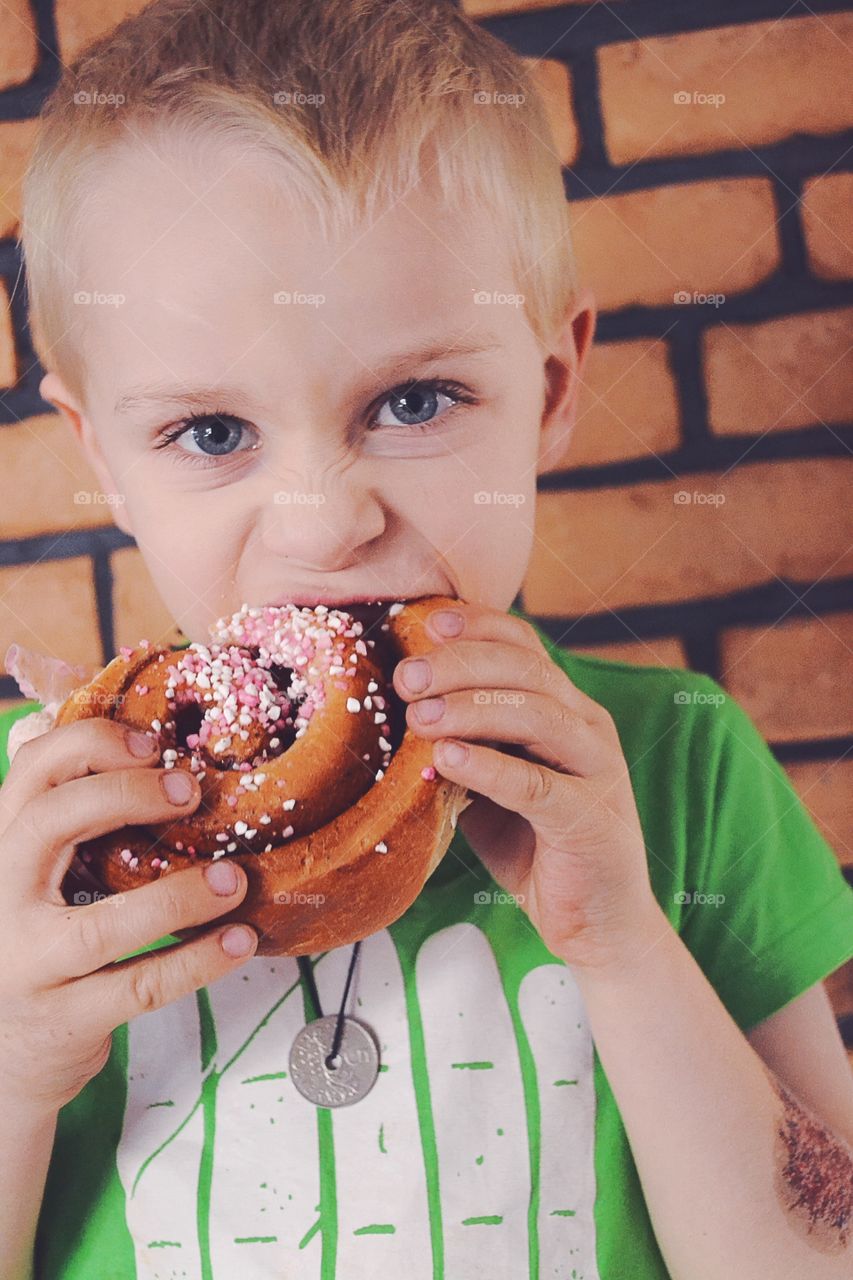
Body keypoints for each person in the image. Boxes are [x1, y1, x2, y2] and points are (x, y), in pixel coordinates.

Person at [2, 2, 851, 1277]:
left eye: (411, 401)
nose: (327, 522)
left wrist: (621, 941)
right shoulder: (29, 840)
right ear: (105, 462)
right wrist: (13, 1072)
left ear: (550, 390)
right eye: (212, 433)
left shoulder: (673, 770)